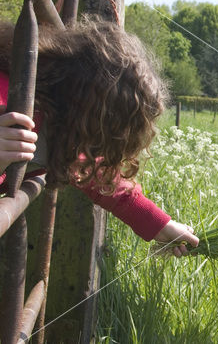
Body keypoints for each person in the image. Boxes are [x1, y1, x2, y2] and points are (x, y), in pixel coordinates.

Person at [0, 19, 198, 257]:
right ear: (89, 113)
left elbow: (96, 176)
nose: (98, 150)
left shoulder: (58, 121)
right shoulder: (8, 104)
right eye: (105, 135)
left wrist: (160, 224)